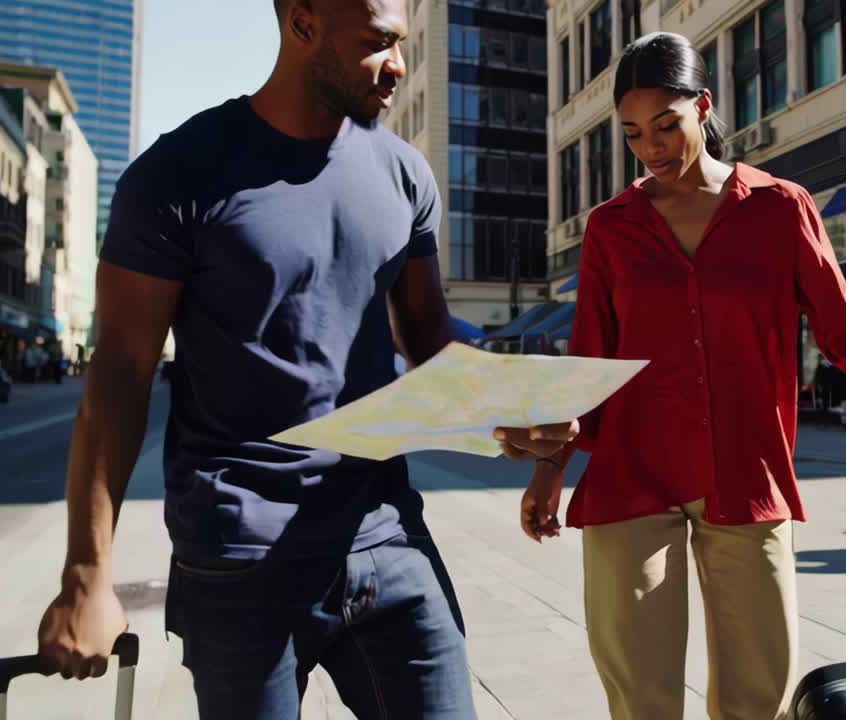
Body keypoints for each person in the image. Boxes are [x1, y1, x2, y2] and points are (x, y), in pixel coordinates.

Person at [34, 1, 577, 718]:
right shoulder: (177, 174)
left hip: (384, 534)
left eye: (402, 44)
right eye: (379, 43)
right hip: (239, 553)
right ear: (302, 23)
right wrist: (86, 574)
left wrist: (514, 402)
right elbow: (121, 376)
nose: (399, 66)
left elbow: (428, 334)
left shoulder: (405, 174)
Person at [518, 32, 846, 720]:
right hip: (632, 472)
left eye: (667, 125)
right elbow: (593, 357)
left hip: (747, 470)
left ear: (704, 106)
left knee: (759, 686)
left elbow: (839, 318)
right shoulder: (612, 228)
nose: (653, 148)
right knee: (640, 691)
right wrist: (550, 466)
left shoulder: (780, 206)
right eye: (636, 134)